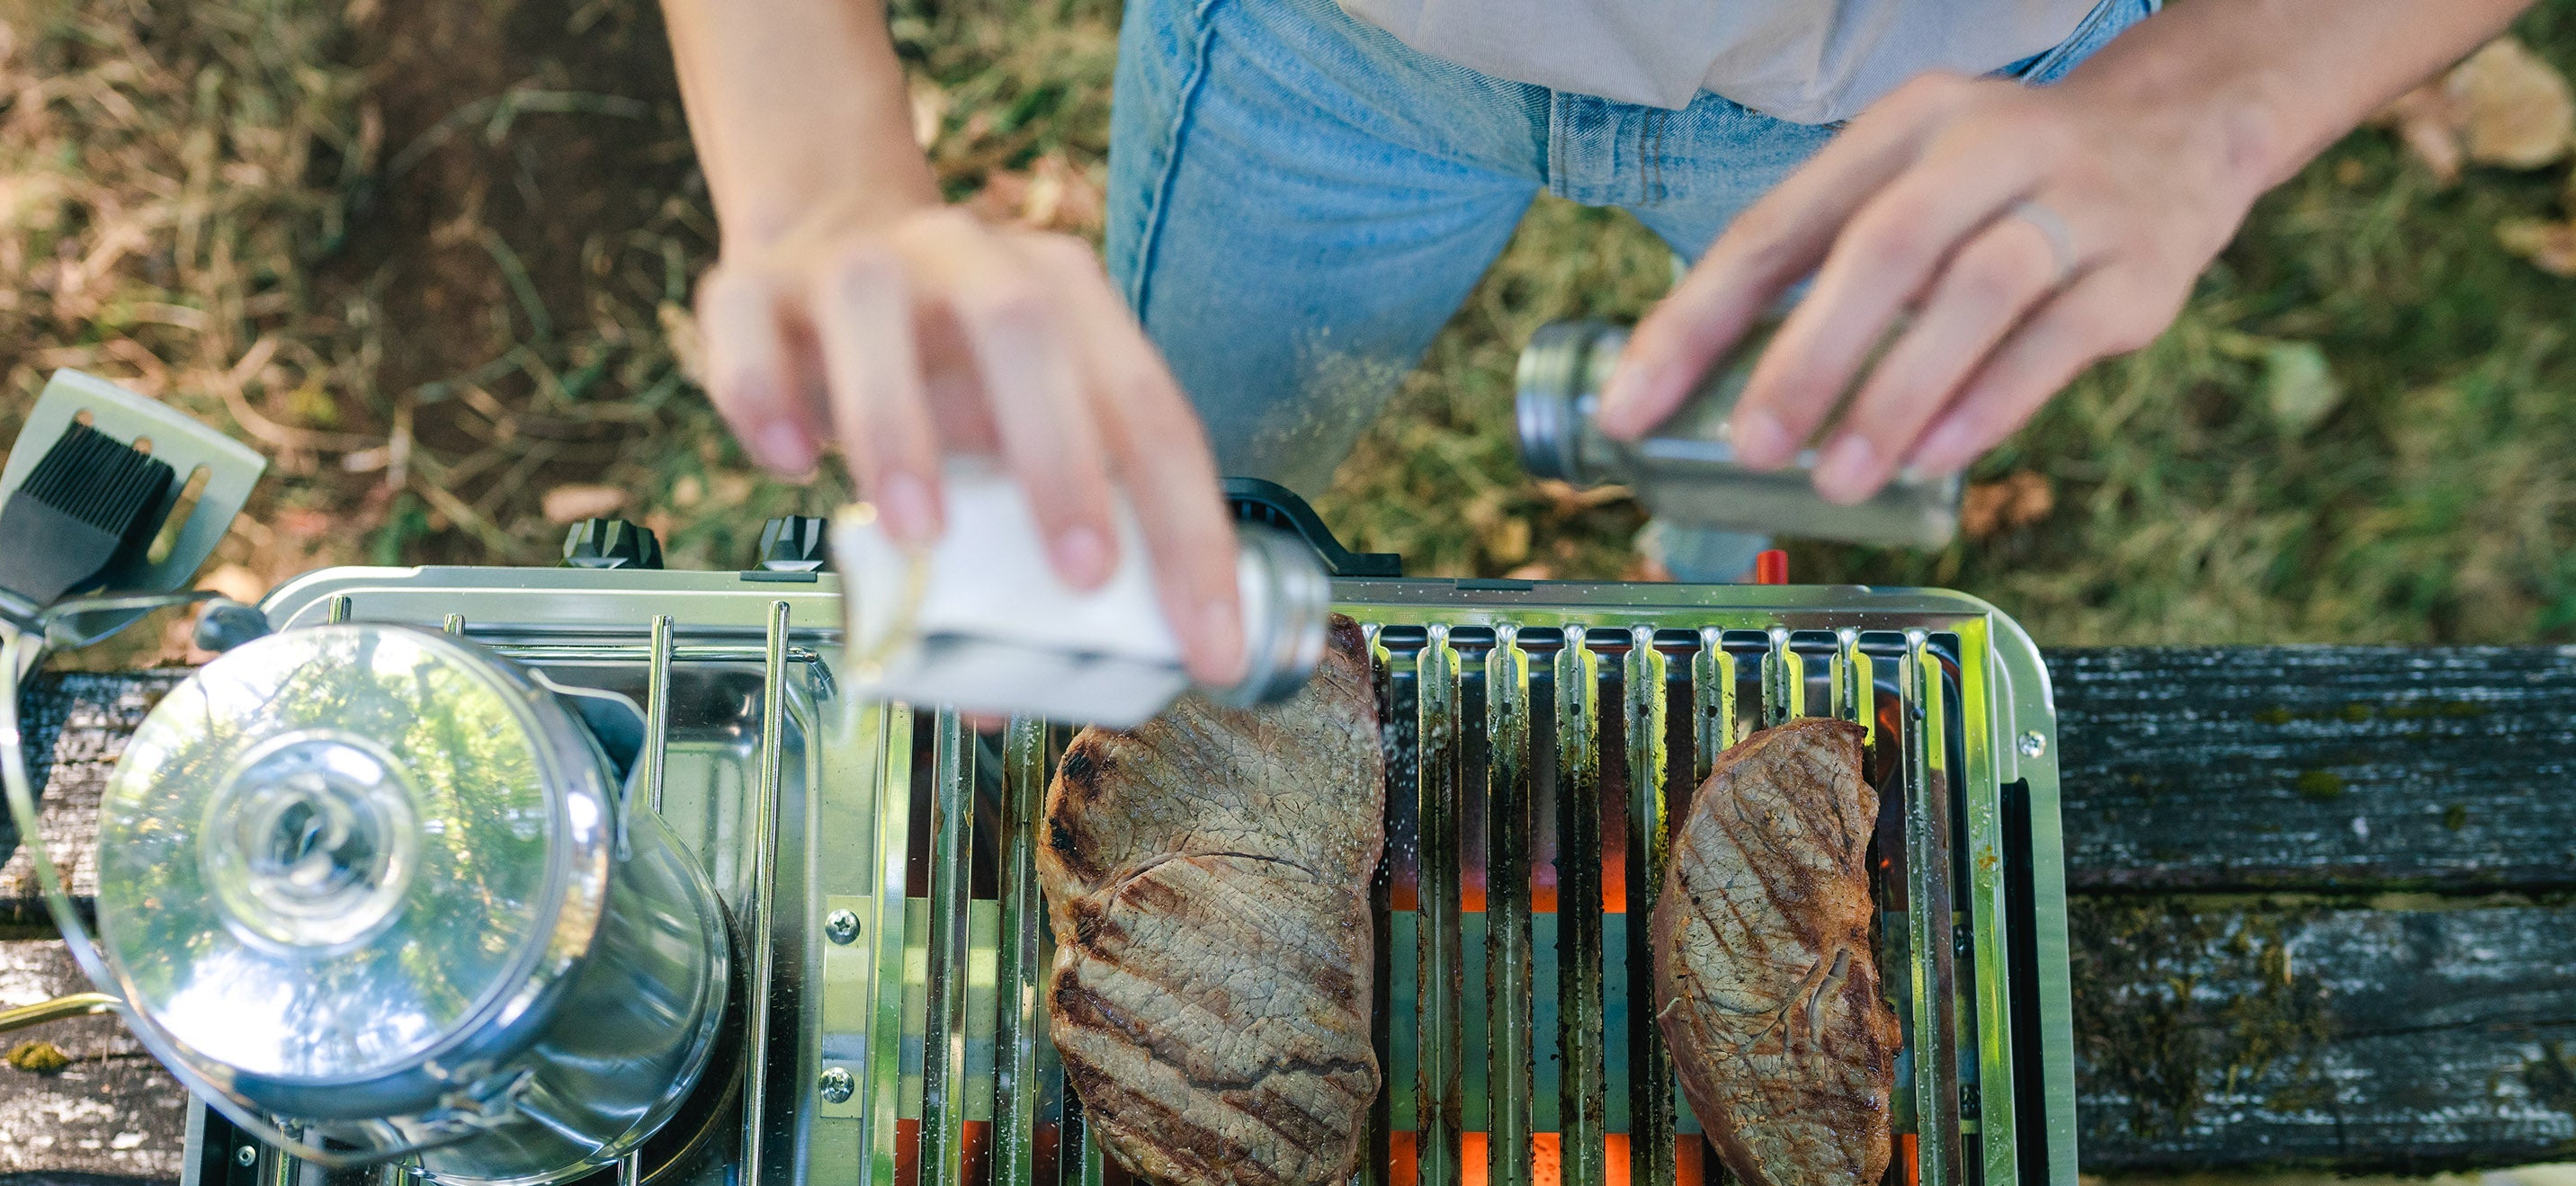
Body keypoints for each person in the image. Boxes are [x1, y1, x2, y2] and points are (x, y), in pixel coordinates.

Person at [661, 0, 2534, 679]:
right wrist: (825, 178)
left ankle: (1721, 576)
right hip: (1329, 52)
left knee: (1768, 515)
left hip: (1926, 96)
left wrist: (2213, 95)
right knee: (1189, 487)